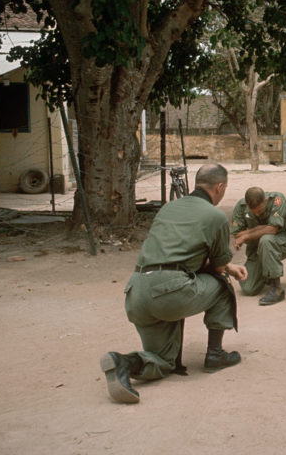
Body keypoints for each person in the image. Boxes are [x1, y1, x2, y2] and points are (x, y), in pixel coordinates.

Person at [100, 164, 248, 404]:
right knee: (222, 286)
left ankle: (123, 363)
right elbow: (218, 268)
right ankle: (215, 355)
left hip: (137, 292)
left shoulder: (168, 208)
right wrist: (228, 269)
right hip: (170, 292)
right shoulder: (216, 217)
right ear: (219, 187)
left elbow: (174, 253)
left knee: (163, 362)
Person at [231, 187, 286, 306]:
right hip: (256, 251)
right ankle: (266, 273)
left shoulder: (277, 199)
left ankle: (276, 288)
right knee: (248, 288)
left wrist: (247, 235)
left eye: (260, 211)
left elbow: (272, 229)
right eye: (253, 211)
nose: (257, 214)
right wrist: (263, 228)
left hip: (282, 242)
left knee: (266, 239)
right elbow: (237, 235)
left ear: (265, 200)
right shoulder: (240, 207)